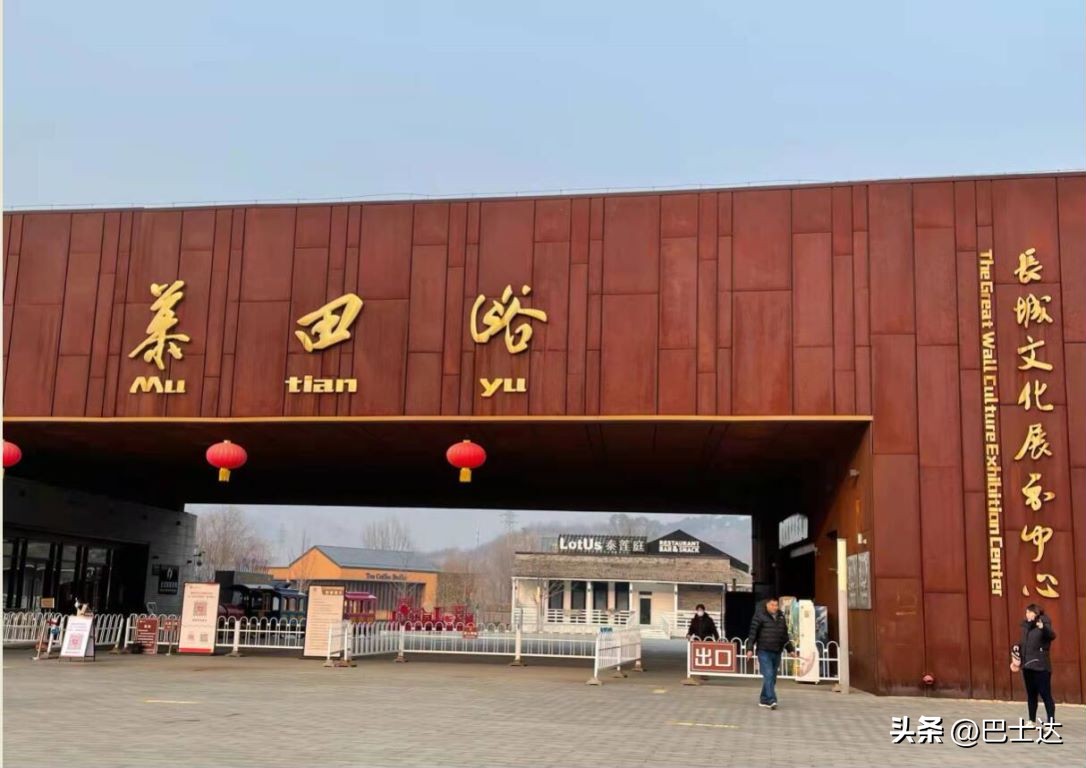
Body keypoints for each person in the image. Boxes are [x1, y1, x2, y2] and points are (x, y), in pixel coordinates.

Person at [1011, 603, 1056, 726]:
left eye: (1029, 612)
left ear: (1035, 613)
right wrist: (1017, 648)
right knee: (1031, 695)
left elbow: (1051, 636)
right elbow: (1025, 644)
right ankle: (1031, 720)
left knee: (1046, 695)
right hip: (1027, 666)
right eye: (1026, 612)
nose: (1027, 614)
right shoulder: (1026, 627)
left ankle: (1051, 722)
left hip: (1041, 667)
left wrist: (1043, 628)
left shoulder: (1044, 623)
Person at [745, 597, 793, 709]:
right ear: (766, 605)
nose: (775, 607)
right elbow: (753, 634)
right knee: (768, 674)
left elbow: (784, 636)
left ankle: (764, 699)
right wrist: (749, 649)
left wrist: (790, 649)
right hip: (764, 650)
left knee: (772, 677)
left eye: (776, 605)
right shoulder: (759, 616)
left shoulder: (781, 617)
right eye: (772, 605)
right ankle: (772, 700)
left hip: (777, 651)